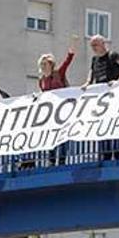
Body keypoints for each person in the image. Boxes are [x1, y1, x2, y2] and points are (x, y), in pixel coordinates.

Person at [82, 35, 119, 161]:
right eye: (92, 45)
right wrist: (88, 82)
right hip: (102, 101)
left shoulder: (113, 55)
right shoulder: (94, 60)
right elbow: (92, 72)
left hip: (116, 98)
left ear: (103, 44)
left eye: (96, 44)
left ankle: (118, 154)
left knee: (116, 123)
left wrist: (118, 81)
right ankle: (105, 154)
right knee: (103, 125)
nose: (93, 48)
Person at [36, 35, 78, 165]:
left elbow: (68, 60)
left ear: (51, 64)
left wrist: (73, 43)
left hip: (63, 109)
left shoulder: (58, 73)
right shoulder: (41, 80)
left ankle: (62, 160)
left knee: (63, 134)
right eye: (42, 64)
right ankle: (51, 159)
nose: (43, 66)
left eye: (46, 64)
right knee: (51, 134)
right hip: (50, 112)